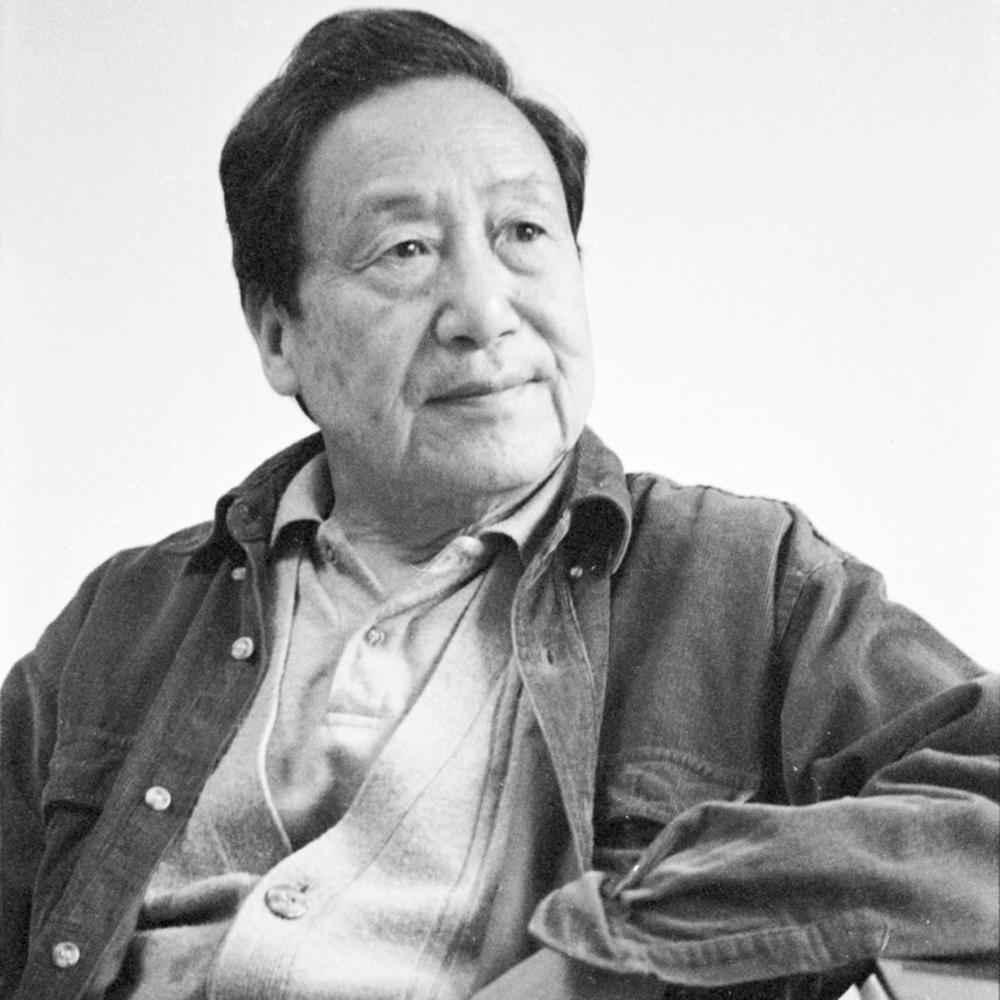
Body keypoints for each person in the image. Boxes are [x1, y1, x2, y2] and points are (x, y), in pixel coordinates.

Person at [1, 9, 996, 1000]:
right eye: (403, 250)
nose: (483, 314)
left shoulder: (740, 579)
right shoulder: (121, 622)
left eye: (523, 232)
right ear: (277, 336)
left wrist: (609, 954)